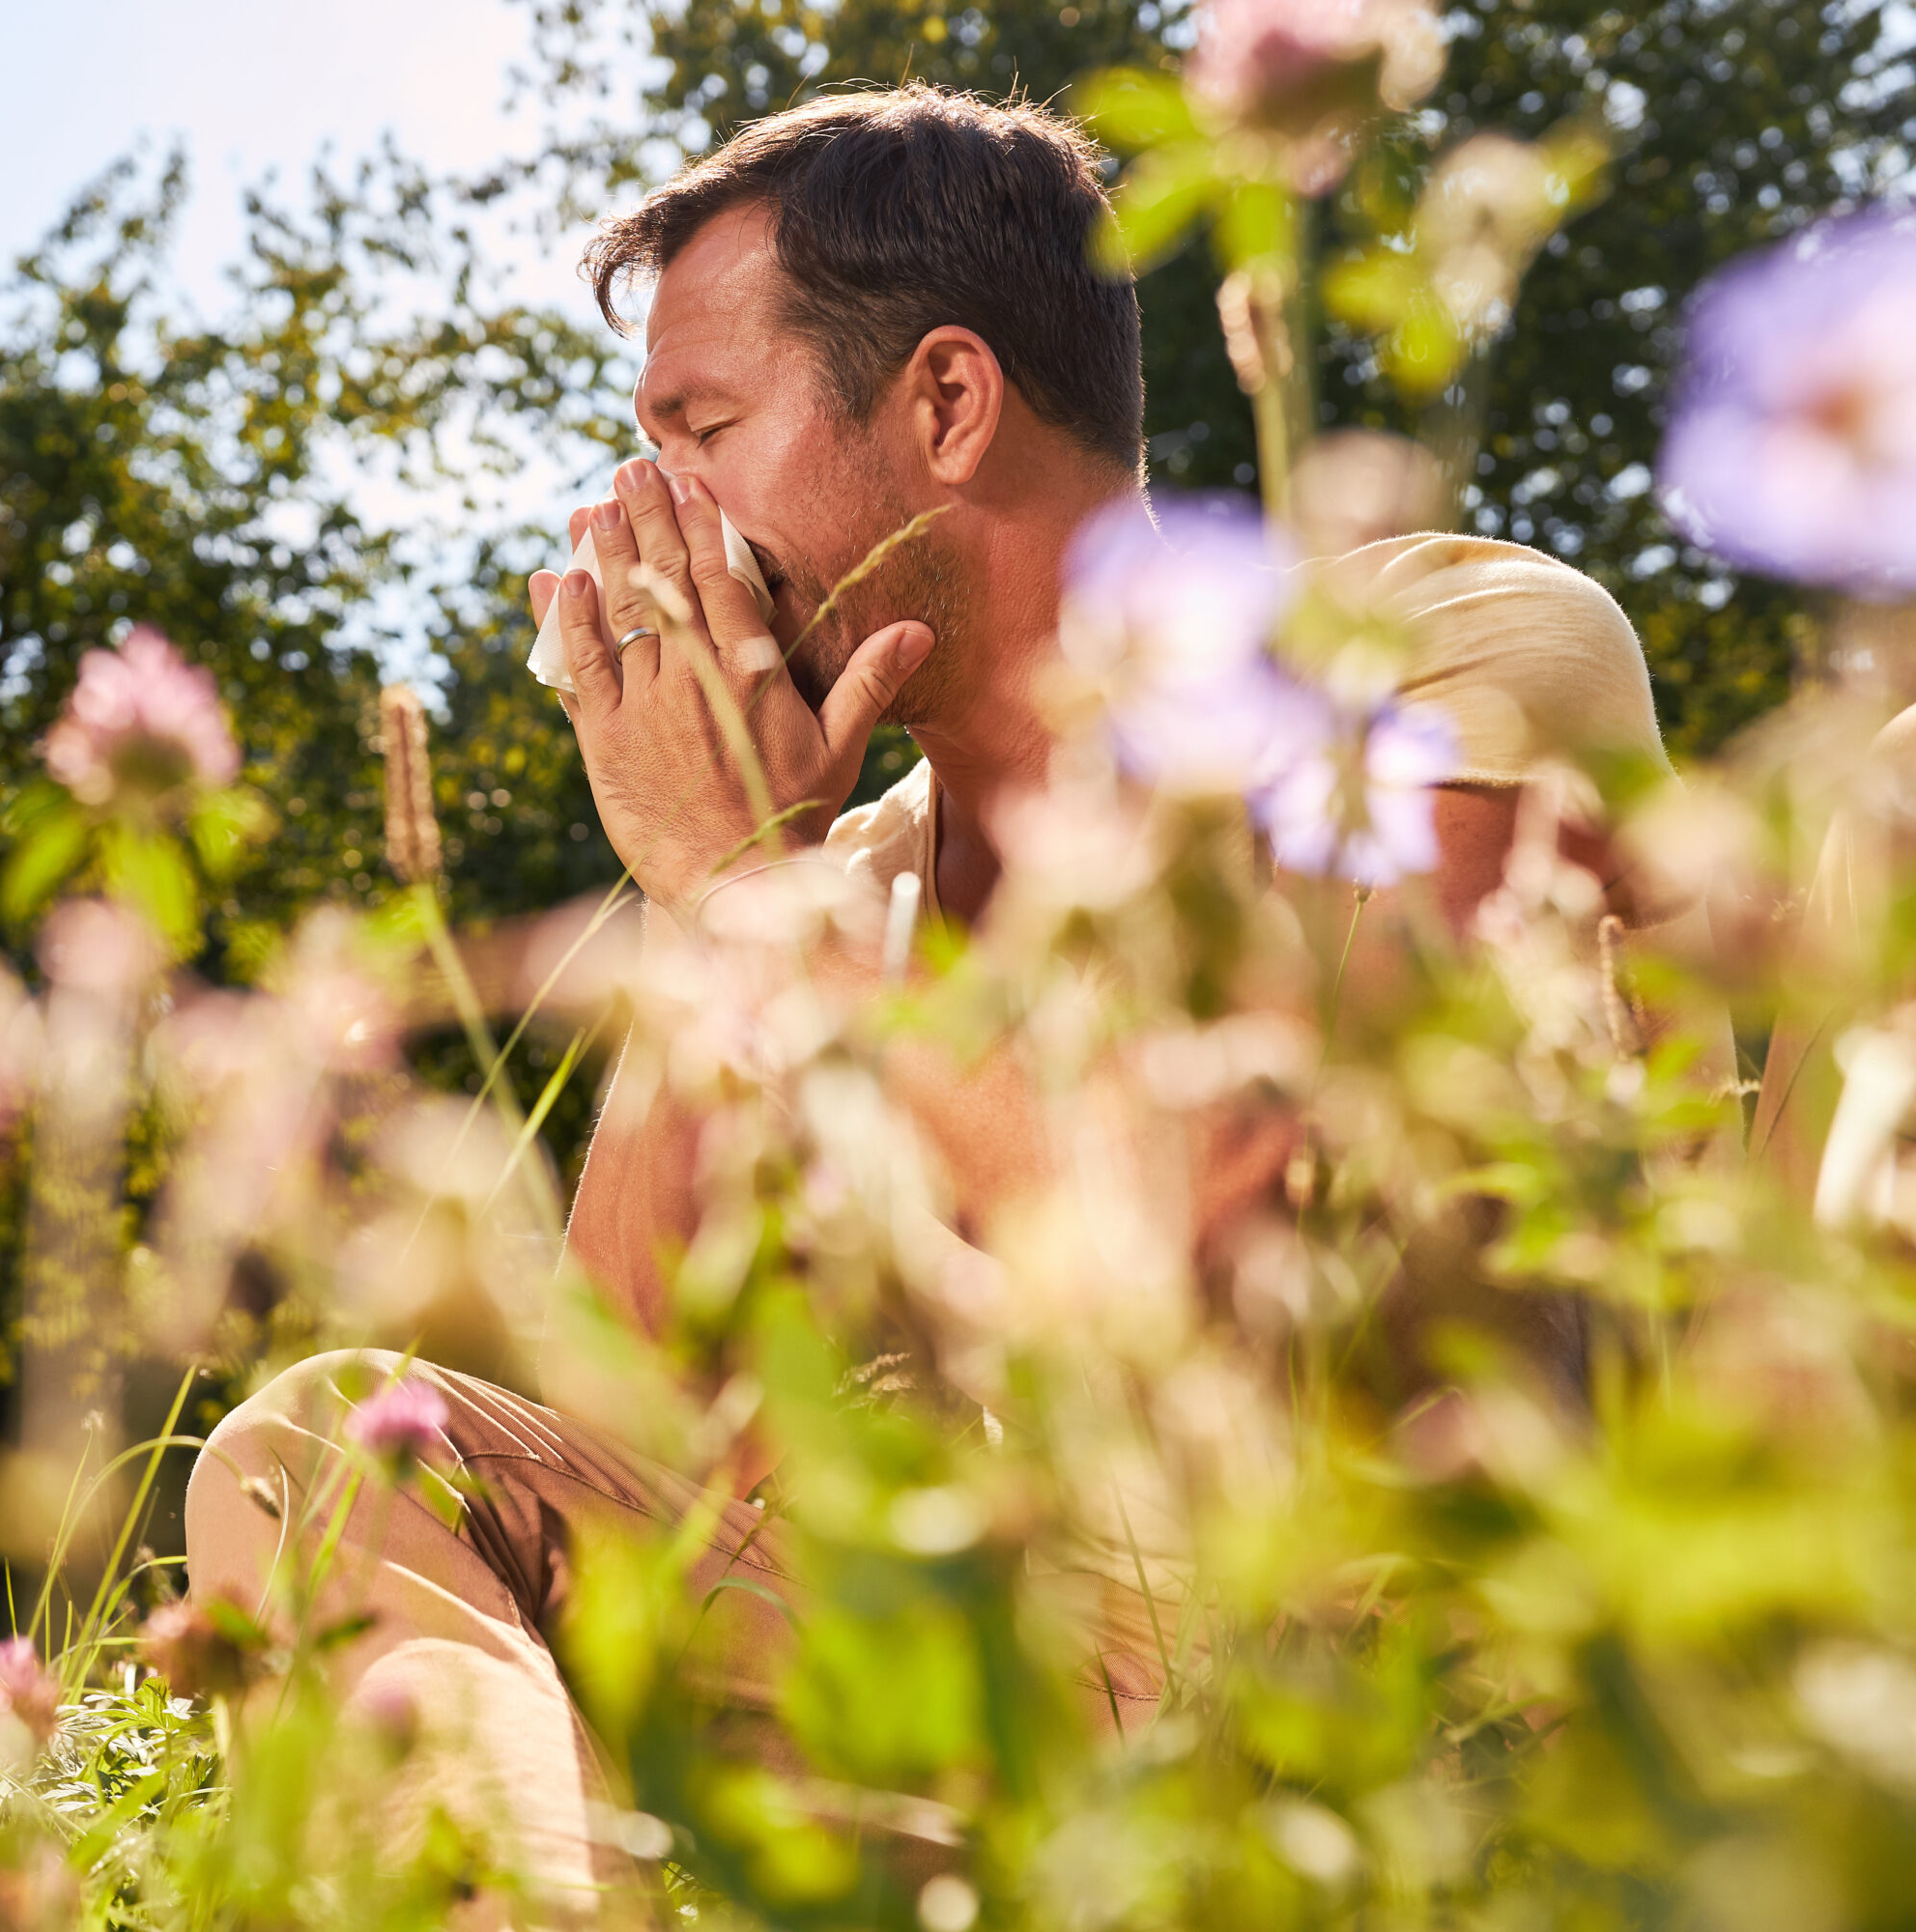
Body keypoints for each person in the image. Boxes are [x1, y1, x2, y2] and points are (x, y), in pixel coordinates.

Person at [181, 83, 1688, 1922]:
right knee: (343, 1449)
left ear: (950, 404)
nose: (656, 526)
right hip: (1022, 1722)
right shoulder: (837, 881)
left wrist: (752, 903)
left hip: (1401, 1680)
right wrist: (721, 915)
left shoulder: (1435, 652)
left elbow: (1303, 1281)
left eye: (703, 431)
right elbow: (634, 1449)